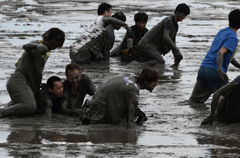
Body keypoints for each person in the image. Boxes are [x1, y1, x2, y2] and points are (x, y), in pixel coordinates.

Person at [0, 28, 65, 118]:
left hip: (27, 84)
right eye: (54, 45)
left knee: (26, 105)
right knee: (30, 106)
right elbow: (26, 46)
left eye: (56, 46)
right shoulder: (37, 45)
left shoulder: (46, 53)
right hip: (18, 81)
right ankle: (2, 112)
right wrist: (36, 46)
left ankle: (6, 111)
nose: (53, 48)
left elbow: (36, 72)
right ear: (50, 40)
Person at [189, 9, 240, 103]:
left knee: (194, 102)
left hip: (203, 69)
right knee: (233, 98)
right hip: (214, 71)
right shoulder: (233, 38)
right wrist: (220, 71)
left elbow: (230, 57)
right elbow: (220, 53)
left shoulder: (222, 32)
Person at [81, 67, 160, 129]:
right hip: (99, 110)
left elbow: (126, 100)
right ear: (146, 81)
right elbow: (131, 122)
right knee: (97, 129)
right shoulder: (133, 90)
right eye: (155, 81)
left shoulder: (130, 76)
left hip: (96, 102)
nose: (156, 84)